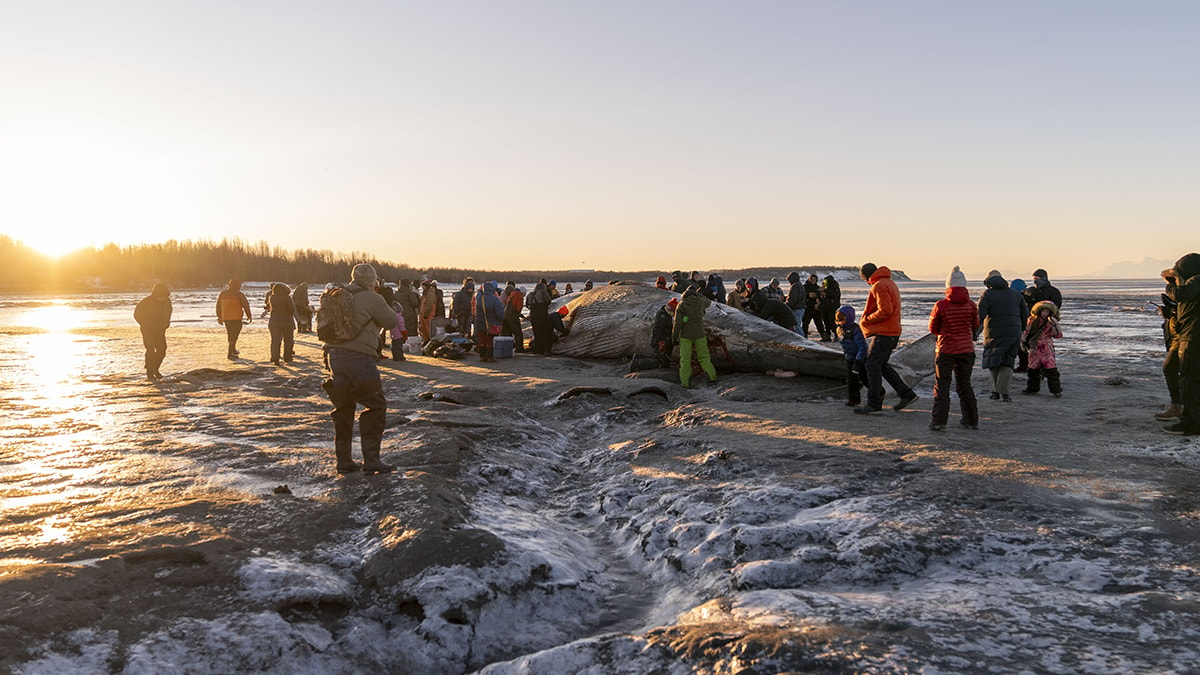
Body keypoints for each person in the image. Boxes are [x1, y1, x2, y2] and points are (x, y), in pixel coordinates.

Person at [323, 263, 398, 474]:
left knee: (344, 407)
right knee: (375, 406)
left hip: (334, 356)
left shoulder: (338, 294)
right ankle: (371, 459)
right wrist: (381, 298)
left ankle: (344, 461)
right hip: (359, 357)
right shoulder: (372, 297)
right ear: (371, 280)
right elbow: (391, 321)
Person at [854, 263, 919, 414]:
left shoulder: (879, 285)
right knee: (881, 365)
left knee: (872, 365)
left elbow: (885, 310)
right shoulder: (888, 282)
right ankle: (906, 394)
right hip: (891, 332)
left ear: (866, 275)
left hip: (884, 333)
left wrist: (867, 319)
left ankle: (874, 403)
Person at [928, 267, 980, 430]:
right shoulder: (971, 305)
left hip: (946, 350)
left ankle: (939, 421)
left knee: (942, 385)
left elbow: (933, 328)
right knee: (965, 384)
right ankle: (971, 420)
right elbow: (975, 325)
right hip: (966, 349)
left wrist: (944, 332)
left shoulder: (941, 305)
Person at [1163, 254, 1200, 436]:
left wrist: (1171, 285)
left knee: (1189, 380)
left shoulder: (1197, 279)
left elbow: (1181, 294)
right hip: (1190, 335)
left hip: (1193, 338)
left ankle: (1191, 425)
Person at [977, 270, 1027, 402]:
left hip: (993, 333)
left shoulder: (987, 294)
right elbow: (1024, 314)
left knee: (993, 362)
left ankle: (995, 392)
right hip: (1013, 332)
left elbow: (980, 316)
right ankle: (1004, 393)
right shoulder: (1015, 294)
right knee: (1007, 362)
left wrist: (974, 333)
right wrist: (1023, 330)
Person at [672, 286, 717, 388]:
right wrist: (699, 295)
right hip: (700, 334)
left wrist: (674, 337)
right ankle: (712, 377)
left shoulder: (682, 305)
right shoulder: (700, 302)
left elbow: (677, 323)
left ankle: (685, 383)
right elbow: (708, 302)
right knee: (704, 357)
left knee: (685, 359)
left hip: (686, 336)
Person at [1021, 300, 1064, 397]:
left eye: (1047, 311)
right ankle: (1032, 388)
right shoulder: (1031, 320)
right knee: (1033, 368)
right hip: (1034, 348)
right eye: (1043, 311)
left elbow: (1057, 335)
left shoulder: (1051, 322)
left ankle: (1056, 390)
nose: (1045, 313)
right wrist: (1022, 342)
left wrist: (1055, 325)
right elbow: (1026, 332)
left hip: (1045, 348)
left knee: (1051, 369)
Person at [1157, 270, 1183, 421]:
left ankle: (1178, 406)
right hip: (1177, 337)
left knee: (1171, 368)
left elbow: (1187, 316)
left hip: (1182, 338)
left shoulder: (1185, 292)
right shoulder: (1184, 292)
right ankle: (1179, 405)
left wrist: (1172, 313)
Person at [134, 283, 172, 380]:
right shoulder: (146, 302)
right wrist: (145, 324)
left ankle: (155, 368)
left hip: (160, 330)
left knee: (162, 350)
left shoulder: (167, 302)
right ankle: (150, 372)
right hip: (148, 330)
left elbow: (168, 313)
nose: (162, 299)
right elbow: (137, 314)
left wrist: (166, 323)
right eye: (161, 296)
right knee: (150, 350)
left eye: (164, 296)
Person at [835, 304, 867, 407]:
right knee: (851, 380)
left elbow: (862, 346)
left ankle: (879, 392)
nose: (840, 322)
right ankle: (854, 399)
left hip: (859, 358)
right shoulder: (840, 330)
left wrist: (858, 360)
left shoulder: (855, 330)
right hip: (849, 358)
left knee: (865, 378)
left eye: (841, 319)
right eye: (838, 320)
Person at [216, 278, 253, 360]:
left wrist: (219, 316)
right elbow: (245, 305)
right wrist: (249, 315)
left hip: (226, 317)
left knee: (230, 334)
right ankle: (230, 353)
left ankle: (233, 350)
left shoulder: (223, 294)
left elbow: (218, 306)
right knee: (234, 335)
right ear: (238, 286)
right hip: (236, 317)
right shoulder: (239, 294)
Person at [265, 283, 296, 365]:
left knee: (275, 341)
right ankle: (287, 357)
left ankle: (275, 358)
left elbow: (268, 307)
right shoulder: (287, 298)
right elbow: (292, 310)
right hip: (287, 322)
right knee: (288, 340)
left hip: (274, 321)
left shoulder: (271, 297)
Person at [474, 281, 504, 362]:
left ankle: (482, 356)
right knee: (489, 339)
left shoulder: (480, 297)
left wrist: (481, 290)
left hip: (480, 322)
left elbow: (478, 293)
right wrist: (501, 320)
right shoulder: (495, 300)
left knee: (481, 339)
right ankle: (489, 356)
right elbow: (500, 313)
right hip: (491, 323)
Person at [527, 279, 553, 354]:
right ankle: (546, 350)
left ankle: (538, 350)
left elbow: (527, 305)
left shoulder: (530, 295)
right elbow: (548, 301)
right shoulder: (543, 292)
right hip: (543, 316)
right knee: (546, 333)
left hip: (533, 317)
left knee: (537, 334)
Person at [1010, 278, 1030, 372]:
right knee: (1023, 347)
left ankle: (1024, 365)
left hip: (1015, 325)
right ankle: (1025, 365)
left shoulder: (1011, 298)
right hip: (1024, 324)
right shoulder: (1024, 298)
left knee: (1021, 347)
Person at [652, 297, 678, 367]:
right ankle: (638, 362)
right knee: (660, 361)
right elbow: (657, 330)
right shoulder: (662, 316)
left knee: (666, 360)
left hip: (666, 340)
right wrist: (660, 342)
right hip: (659, 341)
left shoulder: (667, 315)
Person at [802, 273, 828, 340]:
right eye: (812, 279)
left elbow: (821, 296)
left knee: (819, 322)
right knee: (805, 322)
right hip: (808, 307)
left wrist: (818, 299)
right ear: (810, 279)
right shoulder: (805, 287)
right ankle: (804, 336)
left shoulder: (817, 288)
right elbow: (804, 295)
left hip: (816, 307)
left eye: (815, 279)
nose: (814, 280)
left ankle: (823, 335)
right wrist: (808, 295)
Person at [396, 279, 420, 349]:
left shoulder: (396, 293)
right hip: (409, 314)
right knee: (411, 330)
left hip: (399, 314)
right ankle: (411, 345)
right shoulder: (409, 293)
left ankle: (402, 343)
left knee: (401, 329)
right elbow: (415, 303)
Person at [502, 284, 526, 353]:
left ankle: (507, 348)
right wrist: (519, 314)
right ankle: (519, 348)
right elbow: (518, 308)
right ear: (522, 293)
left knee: (507, 333)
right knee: (518, 333)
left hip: (505, 317)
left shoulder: (511, 295)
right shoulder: (519, 297)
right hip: (513, 317)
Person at [820, 275, 841, 342]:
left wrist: (825, 290)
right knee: (826, 321)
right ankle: (828, 335)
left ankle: (836, 335)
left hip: (832, 307)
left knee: (832, 321)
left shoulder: (834, 287)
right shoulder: (825, 288)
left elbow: (834, 294)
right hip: (824, 306)